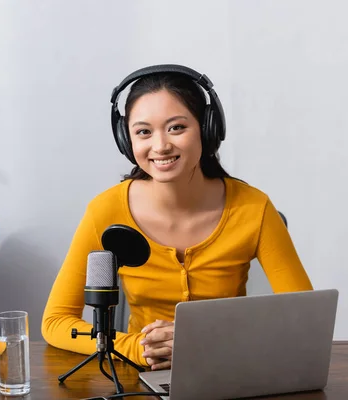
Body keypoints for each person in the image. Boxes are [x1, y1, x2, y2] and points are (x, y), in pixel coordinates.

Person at [41, 64, 313, 372]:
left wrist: (204, 342)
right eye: (143, 132)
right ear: (126, 140)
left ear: (208, 130)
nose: (160, 146)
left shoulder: (254, 208)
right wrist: (133, 348)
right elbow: (55, 322)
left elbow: (304, 319)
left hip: (227, 369)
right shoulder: (105, 211)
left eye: (177, 128)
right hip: (139, 372)